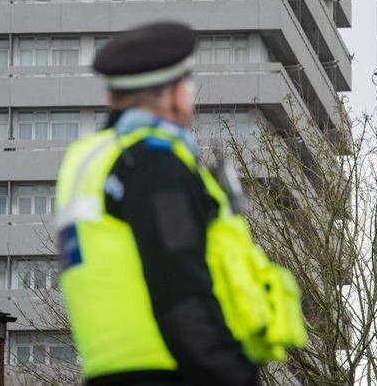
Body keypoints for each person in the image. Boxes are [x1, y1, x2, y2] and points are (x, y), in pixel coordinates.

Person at [55, 21, 268, 385]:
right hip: (173, 369)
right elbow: (178, 279)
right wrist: (232, 374)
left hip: (110, 370)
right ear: (174, 94)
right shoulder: (154, 165)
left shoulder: (91, 160)